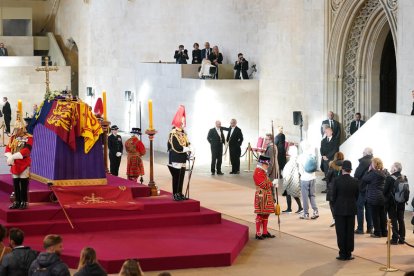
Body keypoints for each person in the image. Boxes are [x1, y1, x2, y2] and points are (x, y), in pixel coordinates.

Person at [331, 160, 359, 261]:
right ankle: (349, 253)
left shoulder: (337, 180)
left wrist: (335, 206)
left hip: (339, 209)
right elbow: (357, 196)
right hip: (351, 208)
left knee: (341, 231)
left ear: (342, 169)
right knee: (350, 231)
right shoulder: (355, 181)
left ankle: (342, 253)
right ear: (350, 170)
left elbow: (333, 196)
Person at [4, 119, 33, 209]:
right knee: (16, 184)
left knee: (23, 184)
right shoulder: (13, 138)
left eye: (18, 129)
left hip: (23, 163)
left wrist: (13, 156)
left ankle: (24, 201)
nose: (16, 130)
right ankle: (17, 201)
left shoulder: (29, 137)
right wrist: (9, 156)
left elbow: (27, 150)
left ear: (22, 128)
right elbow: (8, 148)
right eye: (15, 128)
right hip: (15, 164)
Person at [167, 105, 190, 201]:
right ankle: (175, 193)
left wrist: (190, 149)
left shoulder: (183, 133)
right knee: (176, 176)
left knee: (182, 176)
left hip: (183, 157)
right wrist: (186, 149)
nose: (183, 124)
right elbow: (176, 147)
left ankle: (180, 192)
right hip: (176, 157)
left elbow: (187, 143)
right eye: (182, 122)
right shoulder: (173, 133)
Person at [363, 157, 387, 238]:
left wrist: (368, 171)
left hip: (374, 198)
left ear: (374, 164)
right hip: (382, 197)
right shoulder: (384, 173)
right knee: (382, 215)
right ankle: (384, 232)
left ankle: (377, 232)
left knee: (375, 216)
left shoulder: (373, 173)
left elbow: (364, 179)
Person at [253, 155, 276, 240]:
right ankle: (258, 233)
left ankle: (265, 232)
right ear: (262, 164)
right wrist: (272, 184)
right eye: (266, 164)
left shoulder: (262, 171)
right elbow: (263, 185)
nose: (268, 166)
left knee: (266, 213)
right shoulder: (258, 172)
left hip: (266, 194)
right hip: (261, 194)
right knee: (261, 213)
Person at [384, 162, 407, 244]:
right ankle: (402, 238)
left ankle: (394, 239)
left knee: (393, 220)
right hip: (402, 203)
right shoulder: (404, 177)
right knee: (401, 219)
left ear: (395, 169)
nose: (390, 168)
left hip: (392, 203)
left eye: (392, 167)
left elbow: (384, 191)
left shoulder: (389, 178)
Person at [354, 147, 374, 234]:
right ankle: (370, 228)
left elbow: (357, 174)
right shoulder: (373, 161)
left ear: (367, 153)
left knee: (359, 207)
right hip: (370, 188)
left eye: (364, 151)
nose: (362, 152)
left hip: (362, 188)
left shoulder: (364, 161)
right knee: (368, 208)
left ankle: (360, 228)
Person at [298, 141, 319, 220]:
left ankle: (306, 213)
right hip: (313, 178)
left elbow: (300, 170)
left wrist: (302, 174)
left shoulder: (301, 157)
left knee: (305, 197)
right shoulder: (312, 155)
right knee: (312, 195)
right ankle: (315, 211)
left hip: (304, 179)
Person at [281, 145, 303, 214]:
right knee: (289, 193)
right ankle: (289, 208)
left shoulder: (293, 160)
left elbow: (291, 171)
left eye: (289, 150)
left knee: (294, 194)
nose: (288, 151)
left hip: (292, 179)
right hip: (291, 179)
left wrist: (286, 177)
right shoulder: (293, 159)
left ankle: (300, 208)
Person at [325, 152, 344, 227]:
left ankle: (335, 219)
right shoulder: (345, 164)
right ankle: (341, 219)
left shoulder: (332, 164)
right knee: (341, 203)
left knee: (332, 204)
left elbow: (328, 177)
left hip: (333, 187)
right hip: (342, 187)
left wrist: (329, 185)